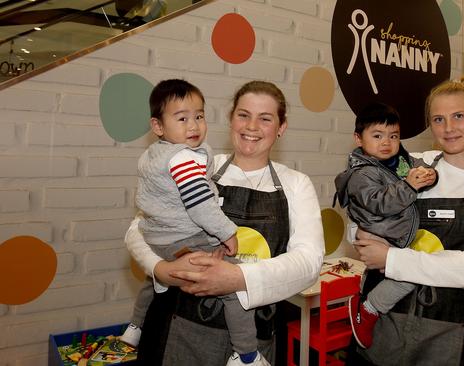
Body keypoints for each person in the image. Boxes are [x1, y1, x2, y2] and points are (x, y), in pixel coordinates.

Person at [124, 80, 325, 365]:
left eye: (265, 119)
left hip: (253, 336)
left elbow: (309, 263)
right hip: (179, 331)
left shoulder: (296, 185)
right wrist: (162, 269)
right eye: (243, 115)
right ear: (231, 119)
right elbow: (138, 229)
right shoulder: (197, 166)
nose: (252, 126)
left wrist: (237, 278)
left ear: (281, 127)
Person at [346, 77, 464, 366]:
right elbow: (360, 208)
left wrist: (392, 258)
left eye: (459, 116)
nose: (448, 128)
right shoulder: (412, 165)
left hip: (448, 329)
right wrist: (361, 234)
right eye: (439, 119)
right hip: (381, 319)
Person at [122, 79, 266, 365]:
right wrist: (227, 232)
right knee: (238, 287)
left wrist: (160, 268)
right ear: (158, 126)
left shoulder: (154, 154)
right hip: (183, 239)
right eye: (182, 118)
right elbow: (200, 205)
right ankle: (247, 355)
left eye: (199, 116)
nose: (193, 126)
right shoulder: (185, 159)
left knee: (153, 282)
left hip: (158, 238)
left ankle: (134, 327)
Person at [333, 102, 437, 349]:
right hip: (380, 234)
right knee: (411, 275)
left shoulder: (399, 160)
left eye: (394, 136)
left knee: (410, 273)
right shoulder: (361, 173)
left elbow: (417, 169)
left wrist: (431, 175)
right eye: (377, 136)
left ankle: (370, 304)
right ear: (359, 139)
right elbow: (379, 203)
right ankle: (368, 309)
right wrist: (409, 186)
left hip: (394, 235)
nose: (387, 143)